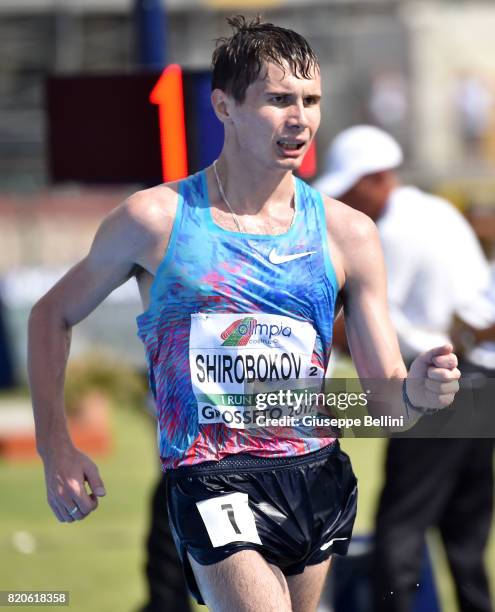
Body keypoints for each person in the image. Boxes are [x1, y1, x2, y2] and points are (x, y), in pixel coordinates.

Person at [28, 18, 461, 612]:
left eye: (310, 100)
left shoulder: (348, 234)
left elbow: (384, 404)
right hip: (212, 473)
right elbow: (50, 315)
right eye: (279, 99)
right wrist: (56, 445)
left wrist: (415, 390)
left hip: (315, 473)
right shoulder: (156, 219)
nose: (300, 118)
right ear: (224, 105)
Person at [314, 124, 494, 612]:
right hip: (482, 385)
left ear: (377, 179)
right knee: (465, 536)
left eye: (351, 191)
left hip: (438, 387)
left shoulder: (386, 234)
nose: (347, 206)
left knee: (401, 526)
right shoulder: (437, 210)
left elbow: (365, 332)